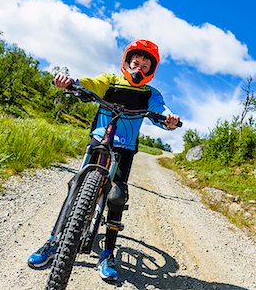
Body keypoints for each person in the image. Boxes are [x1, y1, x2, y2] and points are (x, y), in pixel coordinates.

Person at [27, 39, 180, 281]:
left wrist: (168, 117)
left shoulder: (150, 93)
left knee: (117, 196)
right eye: (135, 62)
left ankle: (107, 253)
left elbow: (160, 109)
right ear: (126, 63)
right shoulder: (110, 80)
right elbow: (92, 84)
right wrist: (72, 84)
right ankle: (53, 241)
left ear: (151, 71)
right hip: (99, 140)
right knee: (75, 186)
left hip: (125, 149)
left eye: (144, 66)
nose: (138, 69)